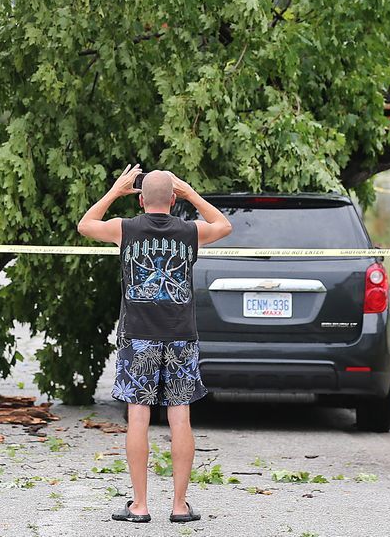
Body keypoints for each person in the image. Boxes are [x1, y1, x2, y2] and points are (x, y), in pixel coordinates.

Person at [77, 165, 232, 524]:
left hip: (138, 337)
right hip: (181, 337)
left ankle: (140, 505)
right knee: (180, 418)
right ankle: (179, 506)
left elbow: (85, 225)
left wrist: (115, 191)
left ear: (142, 199)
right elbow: (224, 225)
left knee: (138, 418)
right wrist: (193, 194)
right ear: (174, 200)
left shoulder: (125, 229)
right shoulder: (190, 231)